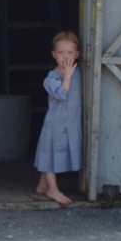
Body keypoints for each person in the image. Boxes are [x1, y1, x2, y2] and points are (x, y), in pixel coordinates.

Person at [34, 31, 82, 205]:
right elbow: (61, 94)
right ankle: (52, 189)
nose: (65, 56)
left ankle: (42, 184)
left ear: (77, 54)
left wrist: (71, 73)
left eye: (70, 52)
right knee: (49, 155)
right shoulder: (52, 78)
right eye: (61, 53)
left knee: (56, 152)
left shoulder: (79, 73)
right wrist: (67, 75)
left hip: (71, 122)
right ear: (54, 55)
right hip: (55, 123)